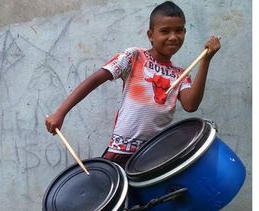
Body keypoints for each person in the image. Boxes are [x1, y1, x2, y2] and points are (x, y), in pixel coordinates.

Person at [45, 1, 220, 168]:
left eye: (179, 31)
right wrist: (60, 113)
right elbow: (94, 80)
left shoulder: (180, 74)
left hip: (155, 153)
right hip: (121, 151)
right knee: (114, 194)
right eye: (165, 31)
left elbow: (190, 105)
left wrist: (205, 61)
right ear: (151, 35)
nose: (173, 37)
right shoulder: (134, 57)